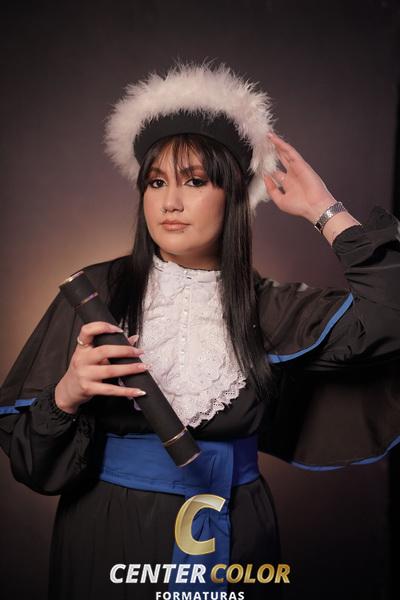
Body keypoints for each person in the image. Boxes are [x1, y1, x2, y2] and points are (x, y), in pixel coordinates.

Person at [1, 59, 400, 600]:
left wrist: (324, 210)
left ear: (234, 194)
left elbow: (391, 315)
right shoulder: (94, 294)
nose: (170, 202)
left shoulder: (274, 307)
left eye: (194, 181)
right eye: (156, 182)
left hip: (235, 535)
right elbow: (31, 467)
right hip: (106, 535)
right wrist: (67, 394)